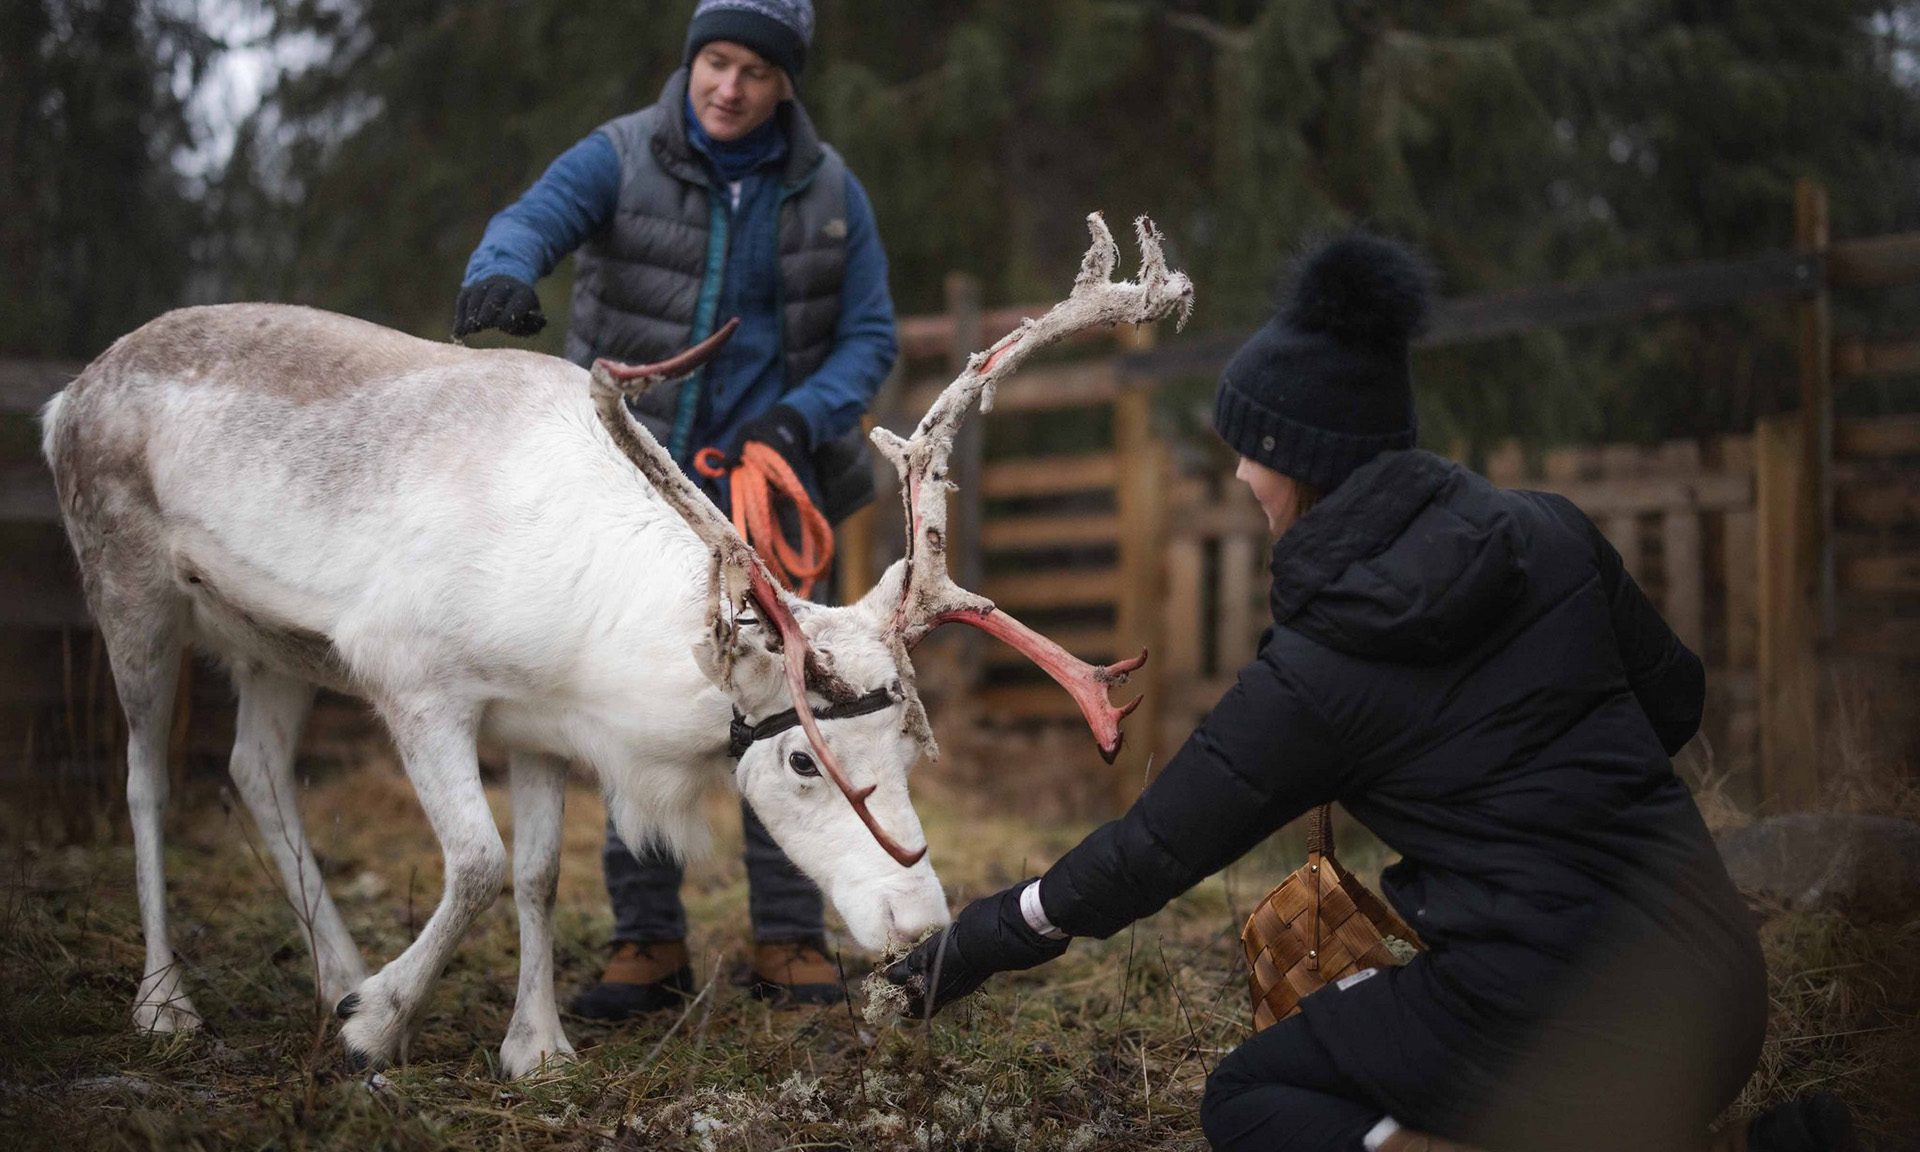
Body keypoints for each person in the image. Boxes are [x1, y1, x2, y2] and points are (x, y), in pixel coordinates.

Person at [883, 233, 1855, 1152]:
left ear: (1299, 465)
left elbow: (1150, 855)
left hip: (1565, 1025)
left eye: (1248, 448)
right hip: (1720, 992)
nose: (1235, 471)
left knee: (1253, 1102)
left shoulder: (1319, 671)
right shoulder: (1550, 533)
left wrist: (985, 935)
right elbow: (1673, 703)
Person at [454, 0, 898, 1019]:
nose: (728, 87)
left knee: (791, 707)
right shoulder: (619, 157)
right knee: (632, 704)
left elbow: (870, 337)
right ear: (692, 62)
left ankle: (790, 939)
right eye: (716, 62)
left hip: (771, 492)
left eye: (752, 69)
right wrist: (501, 275)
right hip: (628, 488)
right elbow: (528, 221)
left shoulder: (830, 192)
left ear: (787, 82)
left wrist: (803, 416)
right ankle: (645, 944)